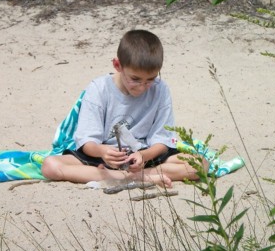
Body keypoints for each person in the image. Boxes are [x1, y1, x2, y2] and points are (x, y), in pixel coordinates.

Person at [42, 29, 206, 188]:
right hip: (105, 155)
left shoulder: (161, 89)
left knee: (201, 164)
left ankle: (131, 176)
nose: (142, 87)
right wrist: (103, 152)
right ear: (117, 65)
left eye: (150, 79)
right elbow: (86, 141)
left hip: (143, 155)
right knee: (50, 165)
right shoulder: (99, 89)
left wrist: (142, 155)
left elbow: (163, 140)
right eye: (135, 79)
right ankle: (140, 178)